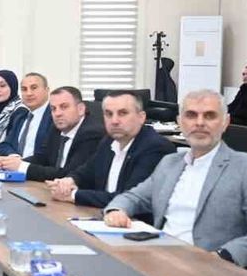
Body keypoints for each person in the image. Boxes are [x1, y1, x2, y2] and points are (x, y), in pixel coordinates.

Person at [104, 91, 247, 268]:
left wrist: (223, 256)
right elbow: (134, 197)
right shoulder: (170, 163)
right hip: (161, 260)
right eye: (191, 115)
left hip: (213, 270)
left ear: (225, 122)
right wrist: (117, 210)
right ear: (180, 122)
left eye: (209, 116)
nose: (199, 123)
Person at [47, 91, 176, 213]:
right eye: (109, 114)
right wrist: (69, 181)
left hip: (134, 222)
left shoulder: (154, 147)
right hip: (102, 215)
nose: (114, 121)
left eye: (123, 113)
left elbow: (127, 198)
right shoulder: (109, 141)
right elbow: (86, 171)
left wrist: (73, 195)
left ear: (141, 117)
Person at [0, 86, 104, 182]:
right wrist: (13, 163)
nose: (57, 113)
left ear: (81, 109)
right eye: (53, 109)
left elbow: (69, 174)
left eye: (64, 107)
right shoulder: (56, 128)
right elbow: (43, 157)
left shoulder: (91, 134)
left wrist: (22, 167)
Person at [10, 73, 53, 160]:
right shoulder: (20, 116)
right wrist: (14, 157)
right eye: (24, 89)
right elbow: (6, 144)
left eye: (34, 88)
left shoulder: (53, 116)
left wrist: (21, 163)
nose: (28, 93)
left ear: (47, 90)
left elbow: (48, 154)